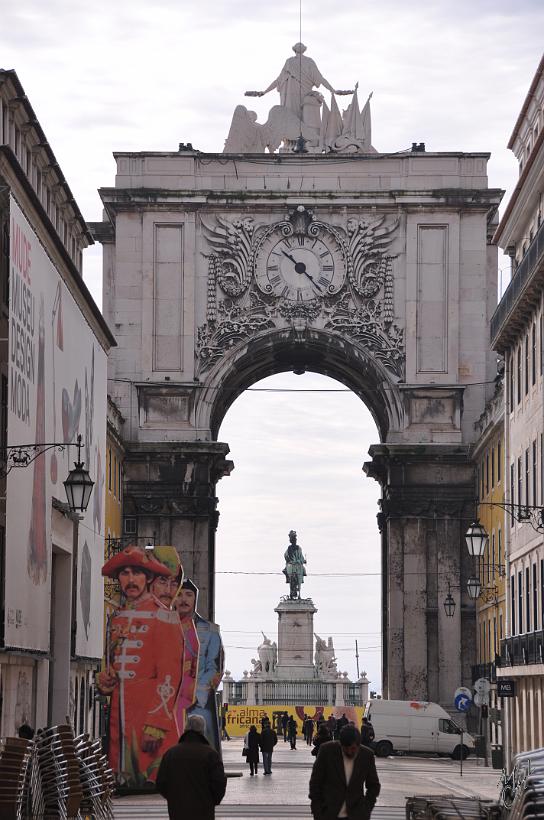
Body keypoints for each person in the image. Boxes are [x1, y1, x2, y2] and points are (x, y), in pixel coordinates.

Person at [97, 546, 183, 787]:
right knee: (123, 783)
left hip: (149, 720)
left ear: (149, 578)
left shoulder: (164, 617)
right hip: (120, 719)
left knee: (151, 784)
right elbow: (113, 665)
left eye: (136, 573)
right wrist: (106, 682)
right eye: (124, 573)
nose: (130, 580)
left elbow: (170, 676)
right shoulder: (117, 618)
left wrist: (157, 725)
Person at [177, 578, 224, 751]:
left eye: (188, 595)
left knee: (205, 743)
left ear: (195, 599)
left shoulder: (210, 631)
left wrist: (193, 694)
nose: (183, 599)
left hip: (198, 702)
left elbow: (215, 668)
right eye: (179, 594)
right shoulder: (165, 626)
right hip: (168, 699)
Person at [156, 714, 226, 820]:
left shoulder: (171, 753)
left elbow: (161, 782)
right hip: (204, 812)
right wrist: (211, 801)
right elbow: (219, 782)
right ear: (202, 730)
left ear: (185, 729)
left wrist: (174, 798)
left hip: (177, 812)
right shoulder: (210, 754)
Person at [309, 725, 381, 820]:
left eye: (353, 748)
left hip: (356, 815)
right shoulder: (326, 751)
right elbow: (315, 783)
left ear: (359, 745)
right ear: (341, 744)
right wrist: (317, 811)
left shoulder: (367, 756)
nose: (349, 752)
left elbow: (374, 786)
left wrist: (366, 809)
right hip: (327, 814)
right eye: (345, 749)